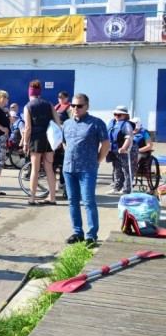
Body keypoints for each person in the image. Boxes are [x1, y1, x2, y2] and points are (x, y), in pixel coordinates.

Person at [62, 94, 110, 246]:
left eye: (79, 106)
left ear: (87, 106)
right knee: (72, 201)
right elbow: (65, 143)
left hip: (87, 168)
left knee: (89, 202)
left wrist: (97, 161)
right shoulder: (67, 123)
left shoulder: (96, 123)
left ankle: (91, 235)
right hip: (69, 168)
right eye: (73, 105)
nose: (75, 108)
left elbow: (106, 144)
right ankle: (77, 233)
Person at [23, 80, 63, 205]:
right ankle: (52, 198)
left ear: (30, 94)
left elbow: (28, 127)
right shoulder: (49, 104)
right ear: (39, 93)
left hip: (36, 138)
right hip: (49, 139)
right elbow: (58, 122)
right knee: (49, 169)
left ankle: (32, 198)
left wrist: (25, 142)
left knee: (35, 169)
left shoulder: (28, 106)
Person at [106, 105, 138, 195]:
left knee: (127, 170)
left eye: (119, 115)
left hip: (127, 150)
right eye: (115, 114)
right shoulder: (111, 123)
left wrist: (124, 148)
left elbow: (129, 137)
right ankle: (117, 187)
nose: (117, 116)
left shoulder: (126, 124)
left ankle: (126, 189)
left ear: (125, 116)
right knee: (117, 169)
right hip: (115, 150)